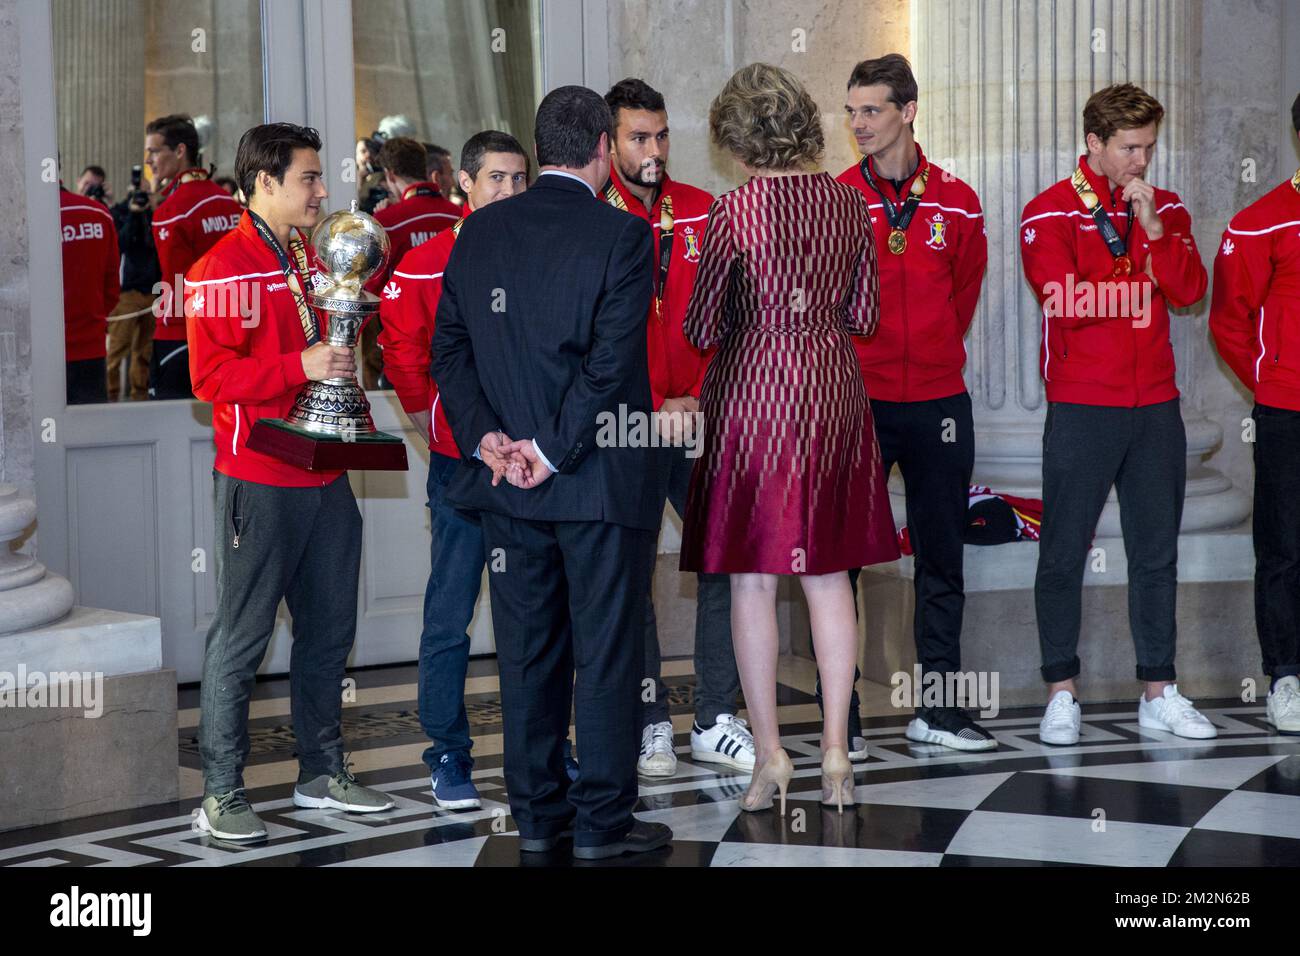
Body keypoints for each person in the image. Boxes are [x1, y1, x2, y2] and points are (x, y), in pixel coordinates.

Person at [431, 86, 672, 860]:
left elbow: (450, 353)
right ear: (604, 146)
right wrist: (545, 450)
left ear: (540, 153)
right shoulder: (623, 236)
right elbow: (606, 370)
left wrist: (490, 442)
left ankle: (537, 817)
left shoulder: (479, 230)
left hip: (509, 487)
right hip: (595, 481)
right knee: (605, 654)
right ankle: (602, 825)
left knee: (528, 653)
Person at [679, 63, 899, 815]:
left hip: (757, 399)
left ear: (738, 142)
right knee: (829, 576)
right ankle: (837, 748)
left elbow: (703, 327)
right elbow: (865, 315)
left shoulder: (734, 210)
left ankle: (770, 757)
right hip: (835, 394)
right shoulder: (849, 203)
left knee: (752, 581)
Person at [187, 123, 394, 841]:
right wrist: (297, 368)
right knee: (241, 639)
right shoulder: (221, 267)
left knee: (329, 632)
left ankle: (320, 772)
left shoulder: (312, 257)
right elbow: (208, 378)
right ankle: (219, 791)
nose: (321, 190)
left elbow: (330, 341)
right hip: (260, 475)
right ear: (264, 183)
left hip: (324, 471)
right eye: (308, 178)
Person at [1020, 83, 1216, 745]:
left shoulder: (1169, 209)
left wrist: (1157, 234)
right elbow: (1064, 300)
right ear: (1094, 144)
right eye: (1129, 147)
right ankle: (1061, 692)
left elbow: (1190, 291)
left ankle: (1159, 691)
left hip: (1156, 404)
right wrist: (1140, 284)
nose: (1141, 160)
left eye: (1150, 147)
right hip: (1082, 405)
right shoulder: (1048, 213)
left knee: (1156, 554)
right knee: (1063, 551)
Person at [835, 54, 994, 752]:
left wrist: (928, 354)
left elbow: (961, 294)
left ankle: (939, 709)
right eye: (851, 111)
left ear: (908, 110)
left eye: (871, 110)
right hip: (858, 401)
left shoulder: (958, 198)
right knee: (841, 560)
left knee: (941, 557)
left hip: (938, 402)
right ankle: (844, 716)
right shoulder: (837, 196)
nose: (858, 124)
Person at [602, 77, 752, 778]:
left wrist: (695, 394)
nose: (654, 149)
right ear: (609, 144)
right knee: (628, 574)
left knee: (724, 558)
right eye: (638, 137)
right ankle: (649, 719)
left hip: (699, 421)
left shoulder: (704, 211)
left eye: (662, 135)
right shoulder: (595, 217)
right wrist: (649, 400)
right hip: (628, 425)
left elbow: (733, 315)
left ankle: (716, 716)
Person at [378, 129, 530, 809]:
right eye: (495, 178)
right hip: (461, 468)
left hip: (532, 465)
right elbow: (405, 361)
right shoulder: (426, 261)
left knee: (535, 614)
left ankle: (544, 752)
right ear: (462, 184)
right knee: (448, 616)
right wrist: (446, 435)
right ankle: (447, 753)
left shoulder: (540, 255)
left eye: (518, 178)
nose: (508, 191)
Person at [1209, 92, 1300, 733]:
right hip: (1288, 413)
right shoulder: (1260, 223)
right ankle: (1287, 678)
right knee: (1285, 548)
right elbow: (1229, 322)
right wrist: (1272, 388)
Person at [148, 114, 242, 399]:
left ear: (180, 151)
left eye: (154, 151)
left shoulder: (172, 211)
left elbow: (173, 281)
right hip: (231, 326)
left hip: (180, 334)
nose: (149, 160)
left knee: (169, 425)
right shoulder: (229, 204)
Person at [362, 136, 462, 388]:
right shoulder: (460, 216)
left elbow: (369, 293)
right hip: (461, 344)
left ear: (390, 174)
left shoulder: (387, 222)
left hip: (410, 352)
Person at [59, 179, 119, 404]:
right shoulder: (98, 213)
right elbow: (112, 288)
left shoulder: (21, 219)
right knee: (90, 434)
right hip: (90, 351)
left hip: (37, 357)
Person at [108, 168, 160, 401]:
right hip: (127, 293)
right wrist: (132, 213)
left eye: (147, 194)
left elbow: (157, 243)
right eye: (140, 193)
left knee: (144, 353)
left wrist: (151, 211)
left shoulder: (157, 215)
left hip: (154, 292)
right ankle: (109, 395)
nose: (143, 198)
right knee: (117, 349)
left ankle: (139, 397)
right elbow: (122, 243)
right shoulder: (121, 212)